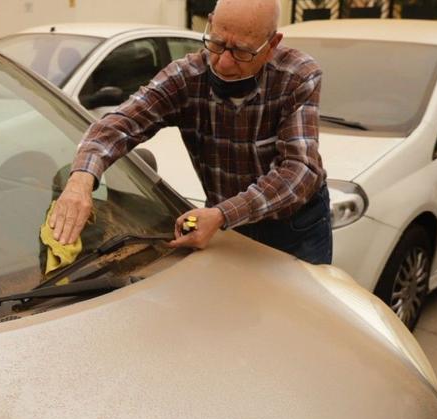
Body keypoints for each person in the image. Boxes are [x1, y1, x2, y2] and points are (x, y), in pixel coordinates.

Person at [49, 0, 332, 264]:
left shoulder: (298, 76)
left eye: (241, 51)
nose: (223, 62)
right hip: (223, 223)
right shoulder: (186, 78)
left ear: (272, 45)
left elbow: (299, 171)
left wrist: (222, 214)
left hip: (294, 229)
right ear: (209, 23)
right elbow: (119, 124)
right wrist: (81, 180)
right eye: (217, 43)